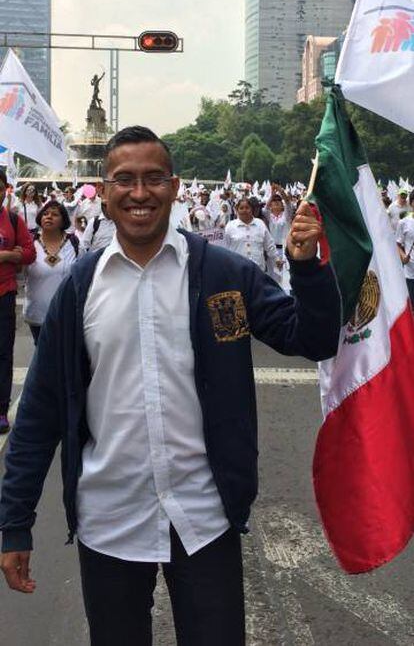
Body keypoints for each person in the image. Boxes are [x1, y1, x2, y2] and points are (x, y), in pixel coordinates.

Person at [0, 126, 341, 646]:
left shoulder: (223, 274)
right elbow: (40, 413)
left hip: (205, 519)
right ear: (106, 190)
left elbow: (311, 338)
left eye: (154, 178)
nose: (141, 193)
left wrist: (306, 269)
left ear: (175, 186)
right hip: (109, 522)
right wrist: (16, 522)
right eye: (126, 180)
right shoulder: (80, 289)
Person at [0, 169, 36, 434]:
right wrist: (8, 254)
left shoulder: (13, 220)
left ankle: (1, 409)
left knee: (3, 354)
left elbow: (30, 252)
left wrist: (9, 257)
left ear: (6, 190)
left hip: (5, 292)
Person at [23, 201, 80, 345]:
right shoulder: (29, 243)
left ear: (63, 221)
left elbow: (82, 275)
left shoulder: (74, 243)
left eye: (55, 214)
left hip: (66, 314)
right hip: (37, 314)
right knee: (42, 356)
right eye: (45, 214)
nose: (49, 217)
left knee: (64, 357)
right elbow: (18, 272)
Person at [224, 197, 279, 273]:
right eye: (241, 208)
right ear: (237, 210)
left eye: (247, 208)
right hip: (237, 270)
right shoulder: (230, 226)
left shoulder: (260, 224)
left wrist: (276, 259)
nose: (244, 210)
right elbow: (225, 248)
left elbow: (269, 244)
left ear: (251, 209)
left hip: (258, 270)